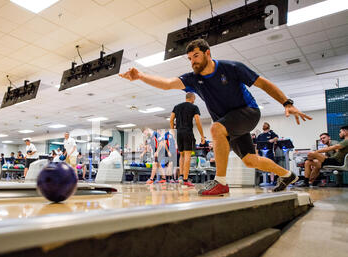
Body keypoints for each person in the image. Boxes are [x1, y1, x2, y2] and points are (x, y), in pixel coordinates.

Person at [120, 38, 311, 195]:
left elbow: (263, 83)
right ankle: (287, 174)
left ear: (207, 53)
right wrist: (141, 76)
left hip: (248, 113)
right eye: (189, 58)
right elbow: (167, 83)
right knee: (250, 159)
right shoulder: (193, 79)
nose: (193, 61)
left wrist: (287, 103)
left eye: (196, 55)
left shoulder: (232, 68)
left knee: (216, 128)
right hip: (230, 123)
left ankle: (220, 182)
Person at [169, 92, 205, 187]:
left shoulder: (177, 107)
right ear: (192, 98)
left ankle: (181, 177)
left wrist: (173, 131)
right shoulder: (194, 107)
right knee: (188, 155)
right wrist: (202, 135)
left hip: (179, 133)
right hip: (188, 132)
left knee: (181, 155)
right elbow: (197, 121)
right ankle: (185, 179)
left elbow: (171, 119)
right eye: (194, 99)